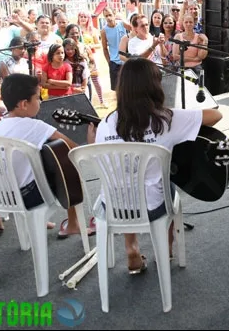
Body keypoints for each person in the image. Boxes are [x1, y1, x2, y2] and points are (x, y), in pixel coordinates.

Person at [89, 58, 222, 272]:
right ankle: (166, 251)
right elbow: (216, 115)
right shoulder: (167, 119)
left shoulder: (106, 123)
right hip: (152, 207)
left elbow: (97, 157)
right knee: (166, 182)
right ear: (154, 86)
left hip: (114, 208)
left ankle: (131, 247)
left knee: (123, 184)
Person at [0, 74, 94, 238]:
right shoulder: (33, 126)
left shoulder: (1, 124)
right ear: (24, 104)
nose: (40, 102)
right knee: (67, 165)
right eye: (37, 98)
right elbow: (72, 147)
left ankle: (47, 221)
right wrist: (90, 142)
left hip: (4, 194)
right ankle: (73, 224)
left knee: (49, 156)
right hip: (27, 196)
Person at [101, 7, 130, 92]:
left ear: (114, 14)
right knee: (117, 89)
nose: (108, 18)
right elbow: (104, 48)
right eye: (106, 16)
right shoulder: (104, 31)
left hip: (126, 60)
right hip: (114, 62)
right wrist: (109, 62)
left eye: (110, 15)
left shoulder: (122, 24)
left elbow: (133, 29)